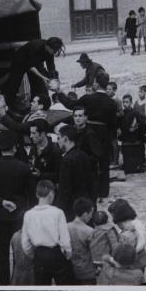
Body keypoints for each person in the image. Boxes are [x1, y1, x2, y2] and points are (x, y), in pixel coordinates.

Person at [52, 71, 117, 201]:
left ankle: (85, 187)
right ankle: (103, 191)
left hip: (89, 130)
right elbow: (113, 124)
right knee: (103, 161)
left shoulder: (88, 98)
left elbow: (70, 105)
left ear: (96, 83)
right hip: (104, 132)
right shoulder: (112, 102)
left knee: (85, 158)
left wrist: (59, 91)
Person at [0, 130, 33, 285]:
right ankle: (19, 281)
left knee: (1, 251)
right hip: (20, 215)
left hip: (0, 215)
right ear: (15, 148)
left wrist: (1, 201)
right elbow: (31, 194)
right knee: (20, 249)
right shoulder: (24, 168)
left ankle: (3, 282)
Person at [0, 37, 64, 113]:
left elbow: (51, 66)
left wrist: (53, 79)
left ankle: (36, 106)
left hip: (36, 63)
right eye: (53, 50)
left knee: (38, 85)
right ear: (48, 46)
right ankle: (10, 108)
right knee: (14, 84)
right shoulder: (35, 46)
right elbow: (29, 66)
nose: (53, 52)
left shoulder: (50, 50)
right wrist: (43, 77)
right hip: (20, 61)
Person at [21, 180, 73, 285]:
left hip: (39, 254)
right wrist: (68, 253)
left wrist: (33, 255)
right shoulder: (58, 212)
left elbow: (25, 242)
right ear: (51, 193)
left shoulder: (28, 214)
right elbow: (65, 238)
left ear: (37, 194)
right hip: (55, 253)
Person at [56, 125, 94, 220]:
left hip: (71, 206)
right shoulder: (84, 155)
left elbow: (65, 188)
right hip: (85, 201)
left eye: (59, 138)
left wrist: (59, 208)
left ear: (65, 139)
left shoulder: (67, 160)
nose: (57, 141)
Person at [108, 200, 146, 273]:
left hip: (136, 258)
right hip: (128, 258)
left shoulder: (137, 224)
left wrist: (130, 253)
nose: (112, 218)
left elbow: (143, 241)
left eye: (113, 215)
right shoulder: (124, 223)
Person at [71, 106, 103, 205]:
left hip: (88, 175)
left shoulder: (90, 134)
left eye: (80, 115)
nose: (78, 118)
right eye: (75, 116)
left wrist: (83, 161)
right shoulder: (72, 132)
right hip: (75, 174)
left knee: (88, 204)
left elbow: (98, 155)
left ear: (86, 118)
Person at [27, 119, 62, 207]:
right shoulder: (33, 147)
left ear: (42, 134)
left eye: (34, 133)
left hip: (49, 194)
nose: (30, 136)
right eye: (30, 133)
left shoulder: (55, 150)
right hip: (34, 192)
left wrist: (41, 175)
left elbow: (58, 175)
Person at [67, 198, 96, 284]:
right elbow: (94, 252)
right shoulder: (89, 231)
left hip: (70, 269)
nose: (91, 216)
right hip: (87, 272)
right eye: (91, 213)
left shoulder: (66, 227)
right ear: (85, 214)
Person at [118, 94, 146, 174]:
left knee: (134, 167)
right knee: (127, 168)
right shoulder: (122, 114)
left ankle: (137, 164)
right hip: (125, 140)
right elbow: (119, 126)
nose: (125, 104)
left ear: (131, 103)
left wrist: (135, 131)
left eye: (127, 102)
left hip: (134, 140)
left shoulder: (135, 113)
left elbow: (141, 125)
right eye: (123, 102)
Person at [106, 81, 123, 169]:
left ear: (114, 90)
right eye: (107, 89)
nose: (107, 91)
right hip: (108, 125)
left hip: (115, 125)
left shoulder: (117, 100)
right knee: (109, 143)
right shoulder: (106, 99)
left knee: (114, 143)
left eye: (109, 89)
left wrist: (112, 114)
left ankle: (115, 161)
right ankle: (111, 160)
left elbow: (121, 113)